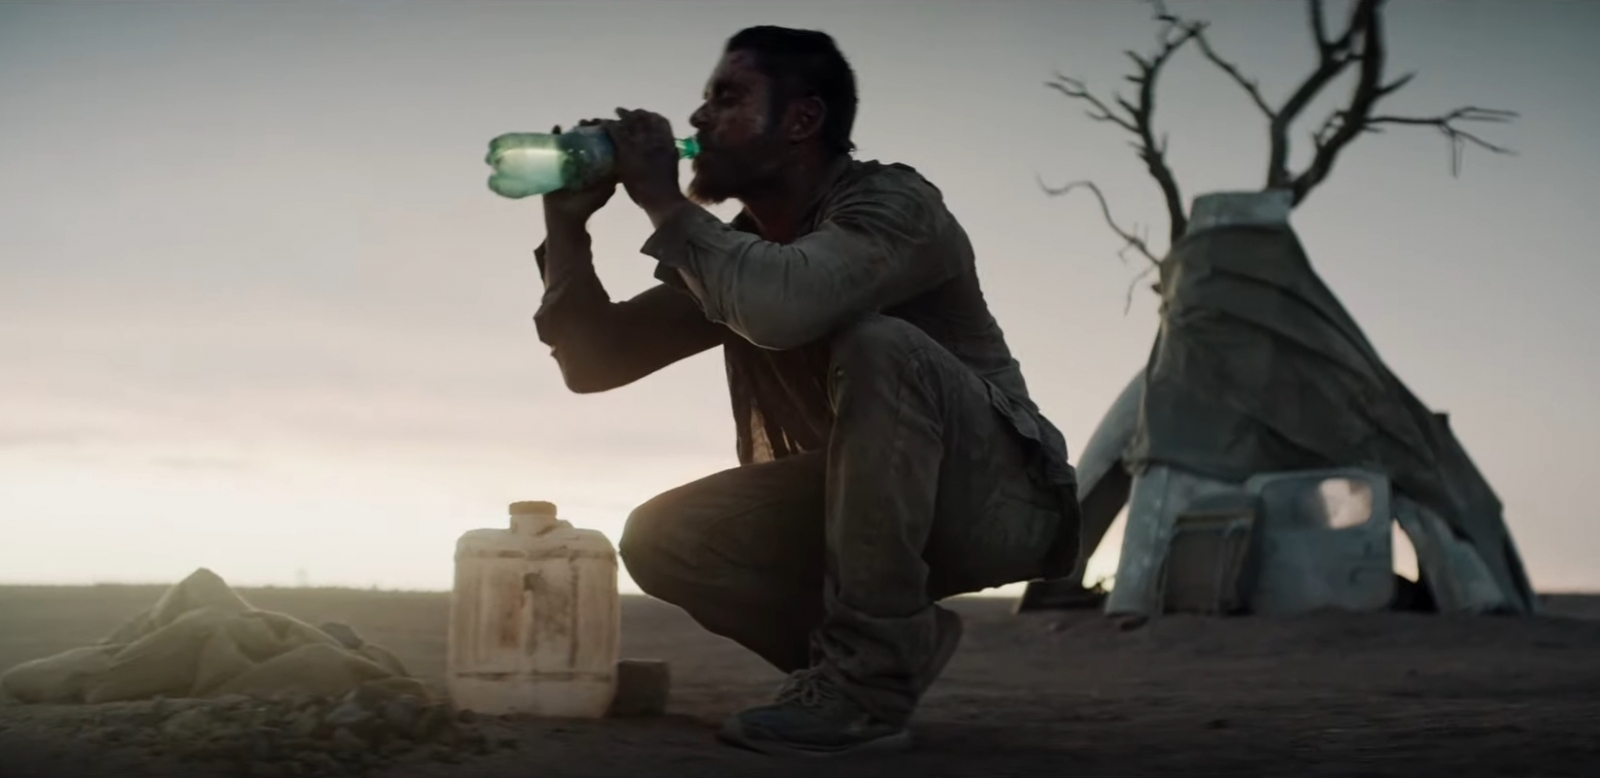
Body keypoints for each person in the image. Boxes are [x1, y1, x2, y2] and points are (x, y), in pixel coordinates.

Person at [531, 25, 1080, 757]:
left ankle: (867, 688)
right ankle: (886, 650)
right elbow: (594, 363)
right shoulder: (737, 253)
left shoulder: (895, 206)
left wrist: (662, 199)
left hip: (1000, 502)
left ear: (801, 120)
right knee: (668, 537)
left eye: (727, 98)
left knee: (880, 343)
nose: (698, 118)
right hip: (856, 514)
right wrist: (566, 229)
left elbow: (782, 305)